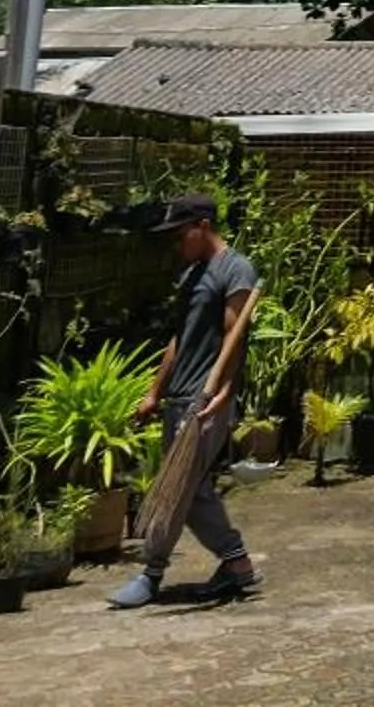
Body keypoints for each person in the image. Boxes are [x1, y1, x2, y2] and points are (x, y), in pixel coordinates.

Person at [107, 193, 263, 609]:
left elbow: (234, 337)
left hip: (206, 398)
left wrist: (224, 392)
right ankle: (237, 564)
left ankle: (152, 572)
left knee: (176, 487)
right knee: (191, 488)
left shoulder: (236, 269)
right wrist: (154, 392)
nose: (176, 244)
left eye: (181, 234)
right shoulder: (192, 275)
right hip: (179, 395)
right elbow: (180, 338)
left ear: (203, 226)